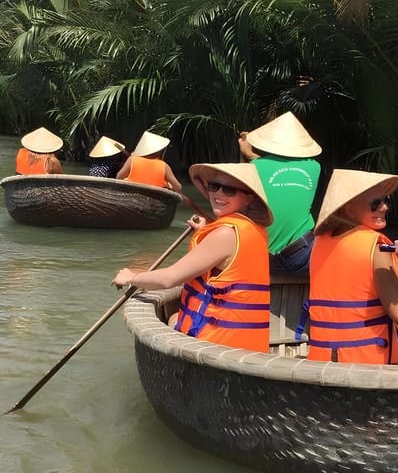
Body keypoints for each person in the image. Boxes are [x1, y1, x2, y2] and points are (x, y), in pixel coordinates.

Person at [113, 162, 273, 352]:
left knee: (173, 319)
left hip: (218, 346)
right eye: (214, 186)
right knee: (174, 318)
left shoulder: (225, 234)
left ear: (249, 199)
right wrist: (204, 231)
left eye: (229, 190)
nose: (218, 194)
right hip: (248, 346)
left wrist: (131, 277)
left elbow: (168, 279)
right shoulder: (254, 230)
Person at [302, 168, 398, 364]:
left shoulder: (319, 243)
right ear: (348, 208)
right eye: (375, 203)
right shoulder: (377, 248)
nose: (384, 208)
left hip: (321, 361)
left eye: (385, 201)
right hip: (367, 365)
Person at [238, 111, 321, 274]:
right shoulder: (315, 167)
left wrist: (245, 151)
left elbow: (239, 177)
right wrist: (250, 154)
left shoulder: (254, 167)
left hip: (266, 255)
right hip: (303, 252)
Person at [116, 130, 182, 192]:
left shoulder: (132, 160)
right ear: (160, 151)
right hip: (155, 197)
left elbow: (119, 177)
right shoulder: (163, 165)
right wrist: (168, 186)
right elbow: (178, 187)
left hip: (132, 194)